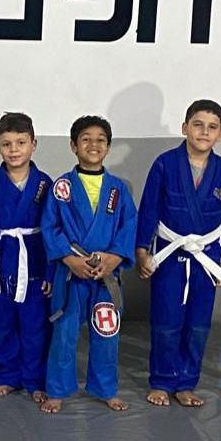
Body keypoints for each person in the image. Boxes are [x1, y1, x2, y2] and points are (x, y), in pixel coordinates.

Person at [134, 100, 221, 408]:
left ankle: (186, 382)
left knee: (198, 323)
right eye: (198, 124)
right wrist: (142, 251)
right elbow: (149, 209)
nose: (204, 132)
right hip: (169, 253)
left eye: (212, 127)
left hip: (207, 254)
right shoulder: (165, 164)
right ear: (184, 128)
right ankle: (162, 381)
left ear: (220, 134)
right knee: (166, 319)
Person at [40, 116, 137, 414]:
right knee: (64, 332)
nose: (93, 145)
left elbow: (129, 226)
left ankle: (106, 388)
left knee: (107, 333)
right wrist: (70, 259)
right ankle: (57, 389)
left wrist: (114, 258)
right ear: (73, 146)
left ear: (108, 147)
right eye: (86, 139)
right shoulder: (62, 187)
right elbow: (50, 227)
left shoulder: (118, 189)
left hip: (106, 274)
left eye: (100, 140)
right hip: (71, 272)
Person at [0, 112, 53, 402]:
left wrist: (51, 272)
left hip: (35, 263)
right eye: (6, 144)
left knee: (36, 326)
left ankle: (36, 379)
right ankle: (7, 375)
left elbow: (53, 230)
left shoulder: (45, 183)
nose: (14, 150)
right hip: (3, 264)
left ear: (34, 144)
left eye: (21, 143)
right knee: (2, 325)